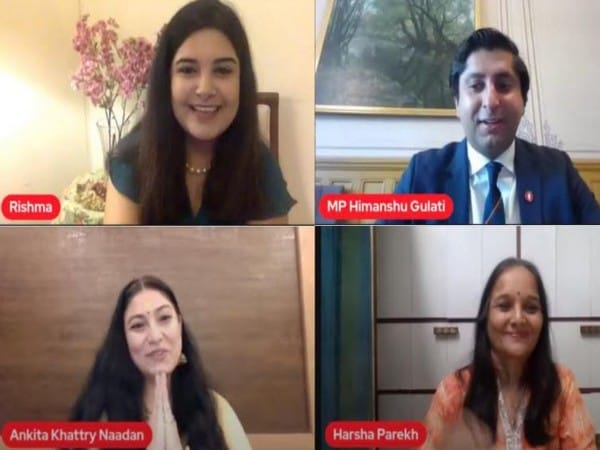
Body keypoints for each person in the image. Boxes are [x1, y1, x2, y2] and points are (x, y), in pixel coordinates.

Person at [379, 28, 600, 224]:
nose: (491, 102)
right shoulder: (422, 174)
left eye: (503, 85)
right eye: (476, 86)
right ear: (457, 102)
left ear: (523, 100)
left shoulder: (558, 170)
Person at [103, 0, 295, 224]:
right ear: (167, 80)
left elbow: (272, 248)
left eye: (222, 70)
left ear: (242, 82)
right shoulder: (131, 161)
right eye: (187, 70)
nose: (205, 89)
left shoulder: (261, 168)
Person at [420, 258, 596, 450]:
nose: (518, 318)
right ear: (486, 316)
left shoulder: (561, 386)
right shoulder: (453, 391)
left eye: (531, 308)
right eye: (504, 306)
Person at [68, 275, 252, 450]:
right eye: (138, 325)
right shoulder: (99, 417)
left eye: (164, 318)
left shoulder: (215, 408)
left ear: (179, 324)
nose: (155, 337)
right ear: (124, 340)